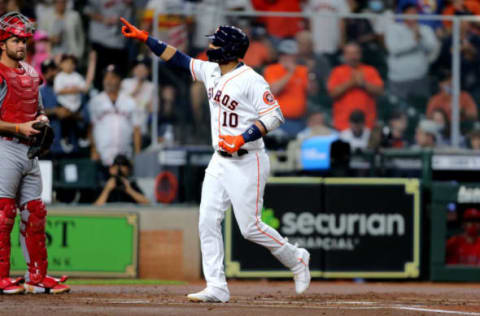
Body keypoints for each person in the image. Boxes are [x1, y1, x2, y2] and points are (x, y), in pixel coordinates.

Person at [120, 19, 311, 302]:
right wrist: (146, 38)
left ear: (229, 50)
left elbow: (275, 115)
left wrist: (242, 137)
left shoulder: (251, 80)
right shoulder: (211, 71)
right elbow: (180, 60)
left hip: (248, 160)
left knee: (250, 228)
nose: (210, 46)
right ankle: (216, 287)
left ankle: (296, 257)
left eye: (216, 43)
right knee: (207, 221)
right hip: (219, 160)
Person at [0, 11, 69, 294]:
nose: (21, 45)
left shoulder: (30, 72)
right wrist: (19, 127)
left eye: (24, 41)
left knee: (35, 213)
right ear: (2, 43)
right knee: (3, 214)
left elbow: (39, 109)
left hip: (29, 151)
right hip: (5, 146)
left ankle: (37, 278)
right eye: (15, 40)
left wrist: (42, 121)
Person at [88, 64, 142, 167]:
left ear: (119, 80)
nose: (109, 80)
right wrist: (93, 149)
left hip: (125, 156)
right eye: (106, 77)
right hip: (102, 156)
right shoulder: (95, 101)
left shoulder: (130, 102)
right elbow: (90, 128)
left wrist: (138, 155)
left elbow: (136, 130)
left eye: (113, 77)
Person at [385, 4, 440, 100]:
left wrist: (420, 38)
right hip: (398, 80)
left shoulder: (425, 29)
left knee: (421, 110)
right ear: (403, 14)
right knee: (399, 112)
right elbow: (394, 49)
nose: (412, 15)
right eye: (409, 12)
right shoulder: (393, 29)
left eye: (415, 12)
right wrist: (414, 42)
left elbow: (431, 48)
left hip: (420, 78)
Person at [327, 42, 384, 131]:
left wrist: (364, 84)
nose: (353, 57)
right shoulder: (337, 72)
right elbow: (332, 93)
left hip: (367, 125)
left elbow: (380, 91)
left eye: (355, 53)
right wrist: (351, 83)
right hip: (343, 125)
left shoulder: (370, 70)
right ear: (344, 55)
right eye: (349, 53)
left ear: (360, 54)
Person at [264, 39, 309, 137]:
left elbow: (311, 91)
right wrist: (290, 72)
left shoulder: (302, 70)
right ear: (281, 55)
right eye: (287, 55)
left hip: (300, 120)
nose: (291, 58)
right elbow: (274, 90)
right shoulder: (272, 69)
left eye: (293, 55)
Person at [54, 54, 88, 152]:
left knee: (80, 122)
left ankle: (82, 138)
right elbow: (58, 90)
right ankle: (65, 140)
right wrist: (72, 90)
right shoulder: (59, 77)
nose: (69, 65)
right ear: (61, 65)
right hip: (64, 104)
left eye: (71, 63)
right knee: (66, 123)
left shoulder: (77, 76)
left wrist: (75, 89)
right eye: (66, 63)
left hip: (76, 105)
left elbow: (84, 88)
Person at [120, 55, 154, 141]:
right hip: (125, 124)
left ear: (148, 71)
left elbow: (153, 110)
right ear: (133, 70)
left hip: (143, 126)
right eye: (138, 69)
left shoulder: (151, 86)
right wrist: (137, 88)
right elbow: (121, 103)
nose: (140, 72)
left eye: (143, 69)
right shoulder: (125, 83)